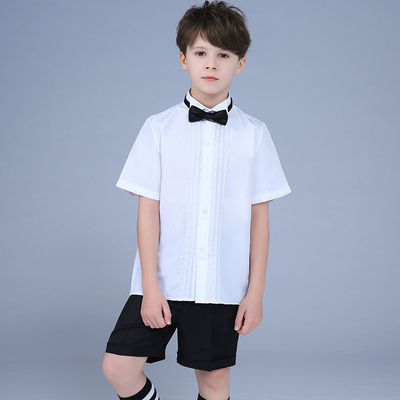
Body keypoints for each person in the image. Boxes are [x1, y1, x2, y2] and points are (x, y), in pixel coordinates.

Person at [102, 1, 291, 399]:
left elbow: (259, 221)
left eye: (223, 55)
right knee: (118, 366)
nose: (211, 64)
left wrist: (255, 293)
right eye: (201, 52)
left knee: (213, 380)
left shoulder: (254, 134)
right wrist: (150, 287)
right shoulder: (157, 129)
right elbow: (147, 213)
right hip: (161, 280)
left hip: (222, 285)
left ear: (240, 64)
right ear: (183, 58)